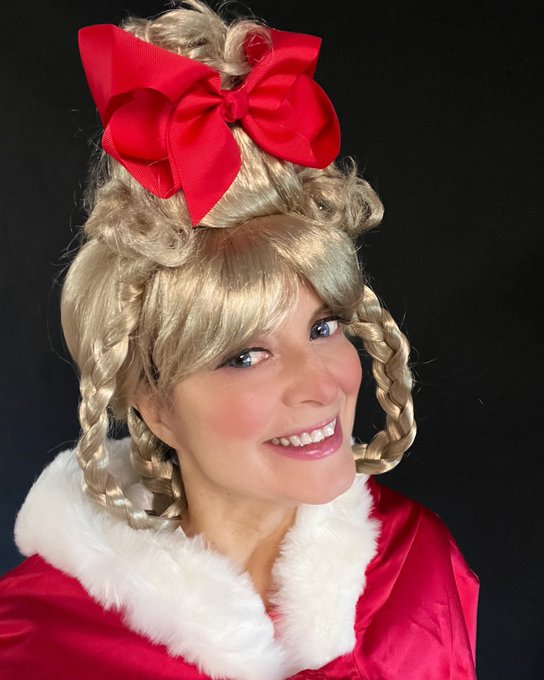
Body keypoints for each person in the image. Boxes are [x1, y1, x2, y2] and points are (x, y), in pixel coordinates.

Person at [0, 2, 478, 678]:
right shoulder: (33, 644)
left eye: (322, 327)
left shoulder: (417, 562)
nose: (321, 385)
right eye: (246, 356)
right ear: (154, 404)